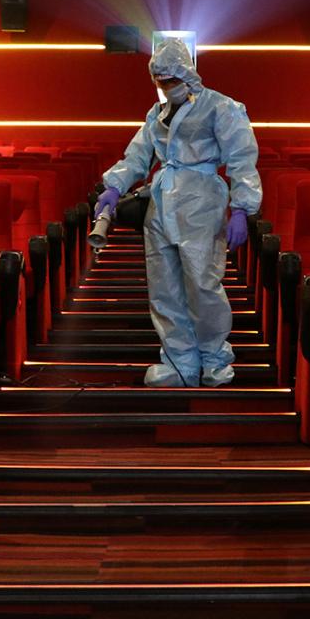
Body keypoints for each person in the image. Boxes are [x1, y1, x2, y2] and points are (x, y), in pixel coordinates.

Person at [95, 39, 262, 387]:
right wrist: (114, 186)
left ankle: (214, 359)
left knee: (202, 285)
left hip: (201, 204)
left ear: (186, 73)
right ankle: (179, 361)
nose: (165, 86)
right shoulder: (156, 115)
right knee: (165, 288)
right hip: (161, 207)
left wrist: (242, 209)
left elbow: (242, 159)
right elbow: (137, 156)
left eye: (170, 79)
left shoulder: (221, 108)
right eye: (160, 81)